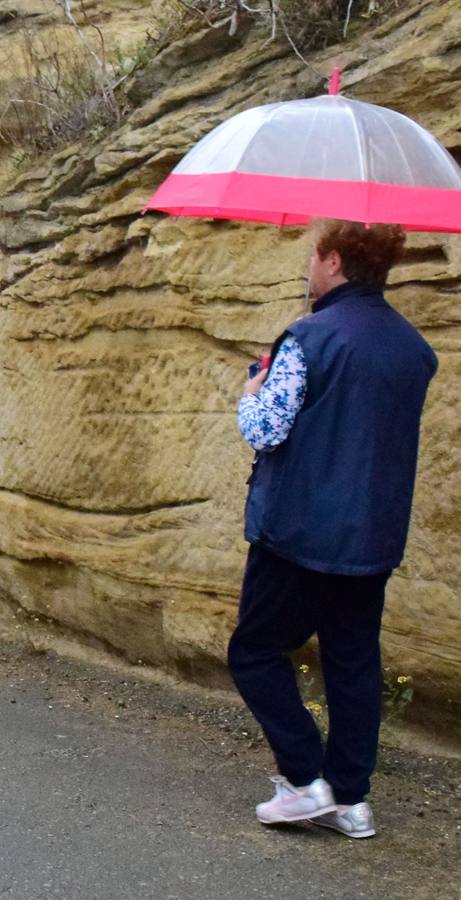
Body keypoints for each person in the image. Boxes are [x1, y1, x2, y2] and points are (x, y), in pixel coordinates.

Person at [229, 219, 437, 839]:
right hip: (372, 538)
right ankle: (352, 800)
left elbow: (265, 430)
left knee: (256, 651)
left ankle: (304, 780)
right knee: (351, 663)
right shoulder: (413, 349)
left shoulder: (310, 339)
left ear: (336, 262)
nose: (308, 268)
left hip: (299, 535)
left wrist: (251, 391)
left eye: (313, 257)